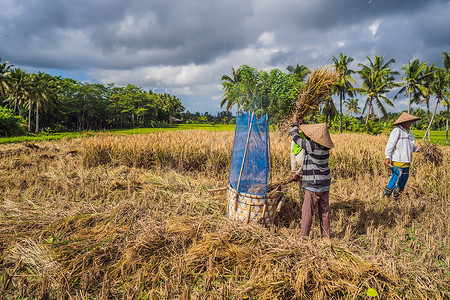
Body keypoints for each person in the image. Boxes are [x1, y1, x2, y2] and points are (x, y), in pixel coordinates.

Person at [290, 115, 334, 239]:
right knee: (324, 211)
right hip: (325, 184)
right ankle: (326, 237)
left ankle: (304, 237)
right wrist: (298, 174)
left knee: (307, 211)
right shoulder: (325, 148)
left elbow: (296, 138)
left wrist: (294, 124)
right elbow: (307, 162)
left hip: (313, 185)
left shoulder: (312, 146)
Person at [383, 112, 421, 200]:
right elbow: (390, 144)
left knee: (403, 181)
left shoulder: (409, 132)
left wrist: (419, 149)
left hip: (407, 160)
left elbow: (410, 146)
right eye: (409, 121)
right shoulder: (397, 130)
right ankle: (385, 198)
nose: (410, 123)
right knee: (394, 179)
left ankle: (396, 198)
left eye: (411, 121)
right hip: (398, 160)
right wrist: (387, 157)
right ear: (403, 122)